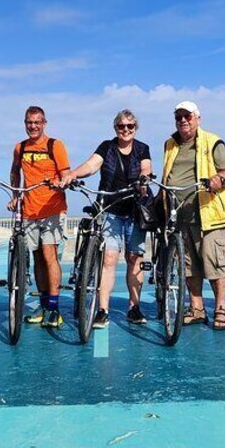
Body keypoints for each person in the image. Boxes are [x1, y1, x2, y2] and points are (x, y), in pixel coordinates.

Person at [59, 109, 153, 328]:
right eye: (121, 126)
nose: (126, 130)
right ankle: (103, 310)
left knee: (134, 258)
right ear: (115, 128)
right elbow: (92, 165)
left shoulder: (142, 148)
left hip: (135, 209)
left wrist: (143, 180)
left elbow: (146, 168)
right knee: (109, 257)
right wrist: (73, 174)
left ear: (135, 128)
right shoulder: (107, 147)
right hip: (110, 208)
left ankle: (134, 307)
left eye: (130, 126)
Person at [161, 101, 225, 330]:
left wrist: (218, 180)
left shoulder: (213, 142)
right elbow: (167, 174)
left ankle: (221, 309)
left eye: (187, 116)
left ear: (197, 118)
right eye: (178, 117)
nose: (183, 121)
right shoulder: (170, 144)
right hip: (179, 214)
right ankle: (197, 308)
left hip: (208, 213)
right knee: (189, 266)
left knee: (214, 264)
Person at [9, 106, 71, 328]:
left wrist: (59, 182)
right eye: (29, 122)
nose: (33, 126)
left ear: (44, 123)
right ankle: (43, 305)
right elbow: (15, 172)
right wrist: (15, 196)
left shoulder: (55, 145)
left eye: (37, 122)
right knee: (36, 258)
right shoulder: (21, 147)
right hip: (29, 210)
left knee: (49, 255)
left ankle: (54, 308)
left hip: (53, 209)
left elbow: (65, 174)